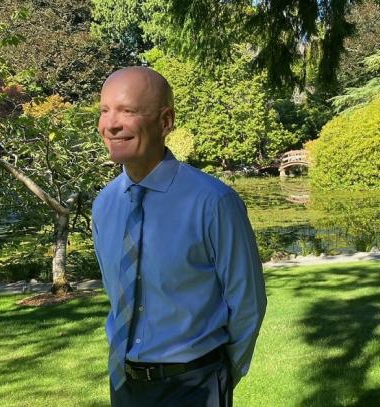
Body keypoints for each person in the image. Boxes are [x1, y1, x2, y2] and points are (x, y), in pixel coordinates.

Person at [91, 66, 267, 407]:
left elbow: (247, 303)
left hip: (195, 387)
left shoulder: (213, 202)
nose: (111, 124)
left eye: (128, 111)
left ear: (165, 121)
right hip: (125, 387)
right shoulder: (104, 205)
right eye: (104, 110)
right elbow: (116, 295)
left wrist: (222, 376)